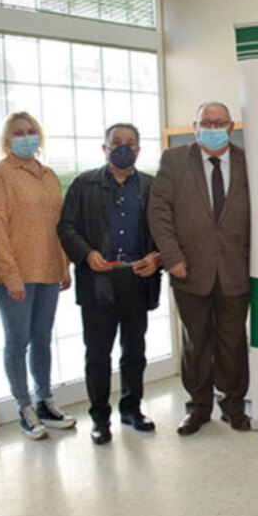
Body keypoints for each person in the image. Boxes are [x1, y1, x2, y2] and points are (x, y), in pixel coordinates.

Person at [148, 101, 251, 435]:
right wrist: (172, 256)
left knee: (233, 340)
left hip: (237, 268)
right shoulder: (175, 160)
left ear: (231, 127)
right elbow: (159, 211)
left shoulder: (248, 161)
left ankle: (234, 405)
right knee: (196, 342)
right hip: (188, 269)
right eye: (207, 122)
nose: (213, 127)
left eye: (220, 122)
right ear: (195, 126)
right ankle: (198, 407)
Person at [57, 123, 162, 445]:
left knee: (135, 350)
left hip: (137, 277)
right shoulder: (83, 184)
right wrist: (86, 254)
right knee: (98, 353)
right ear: (104, 148)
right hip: (97, 279)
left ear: (139, 150)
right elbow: (66, 226)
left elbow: (165, 228)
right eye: (116, 142)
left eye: (131, 142)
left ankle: (132, 409)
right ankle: (100, 417)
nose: (124, 147)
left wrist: (157, 257)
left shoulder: (151, 186)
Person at [0, 111, 75, 440]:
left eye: (31, 130)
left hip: (48, 271)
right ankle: (24, 407)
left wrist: (63, 266)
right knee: (17, 342)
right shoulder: (0, 175)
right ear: (7, 140)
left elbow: (59, 225)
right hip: (15, 276)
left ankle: (45, 400)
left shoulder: (48, 175)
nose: (26, 136)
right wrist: (10, 276)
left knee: (42, 340)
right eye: (18, 132)